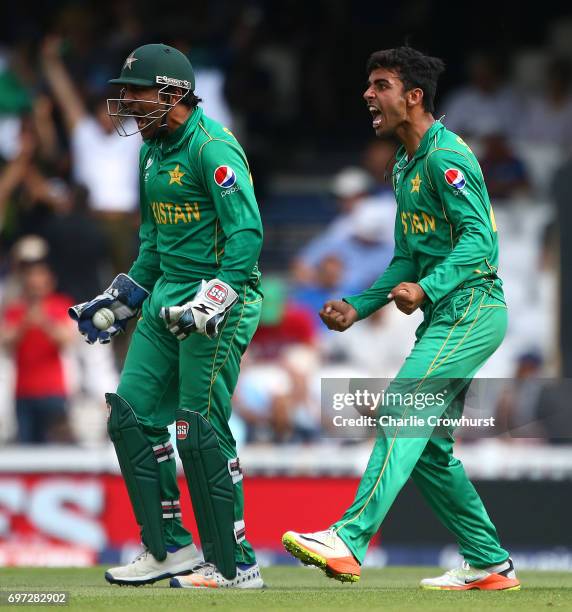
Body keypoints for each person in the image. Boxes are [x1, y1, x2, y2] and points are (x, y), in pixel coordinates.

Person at [282, 47, 520, 591]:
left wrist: (427, 286)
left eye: (380, 85)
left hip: (472, 307)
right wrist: (359, 306)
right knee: (431, 449)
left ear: (413, 97)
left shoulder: (446, 157)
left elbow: (480, 242)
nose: (369, 94)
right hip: (446, 312)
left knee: (400, 405)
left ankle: (348, 539)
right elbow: (406, 259)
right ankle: (488, 561)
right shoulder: (405, 165)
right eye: (369, 85)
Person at [68, 44, 264, 589]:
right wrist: (120, 296)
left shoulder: (213, 148)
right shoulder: (150, 152)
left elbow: (246, 236)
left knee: (196, 430)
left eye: (136, 92)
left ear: (173, 94)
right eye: (124, 91)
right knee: (130, 417)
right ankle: (168, 549)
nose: (126, 102)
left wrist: (215, 297)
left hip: (219, 302)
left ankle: (236, 564)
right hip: (164, 300)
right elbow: (153, 245)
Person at [0, 242, 75, 443]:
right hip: (23, 393)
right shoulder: (15, 310)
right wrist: (25, 323)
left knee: (56, 447)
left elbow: (66, 339)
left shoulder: (61, 305)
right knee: (27, 449)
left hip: (53, 392)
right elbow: (5, 341)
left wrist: (44, 321)